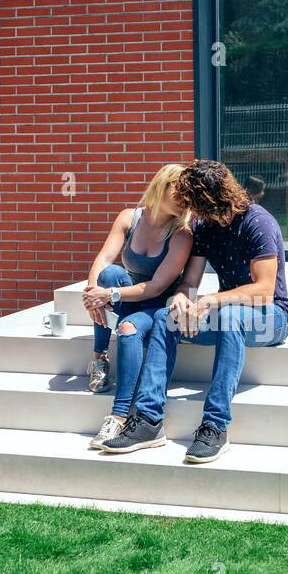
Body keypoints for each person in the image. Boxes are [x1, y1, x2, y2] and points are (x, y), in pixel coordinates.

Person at [101, 159, 288, 463]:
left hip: (271, 317)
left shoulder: (258, 223)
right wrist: (182, 298)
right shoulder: (204, 228)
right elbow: (190, 281)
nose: (189, 210)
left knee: (231, 317)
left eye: (193, 203)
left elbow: (264, 290)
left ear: (210, 200)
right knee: (165, 317)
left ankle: (215, 426)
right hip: (228, 312)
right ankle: (148, 421)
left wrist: (212, 300)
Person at [82, 164, 195, 448]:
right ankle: (99, 358)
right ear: (162, 184)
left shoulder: (182, 234)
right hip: (130, 294)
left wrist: (109, 297)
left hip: (158, 306)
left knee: (128, 326)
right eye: (178, 189)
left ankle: (118, 418)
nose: (183, 196)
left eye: (188, 193)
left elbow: (157, 287)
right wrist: (91, 294)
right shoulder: (129, 218)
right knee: (107, 276)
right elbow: (104, 258)